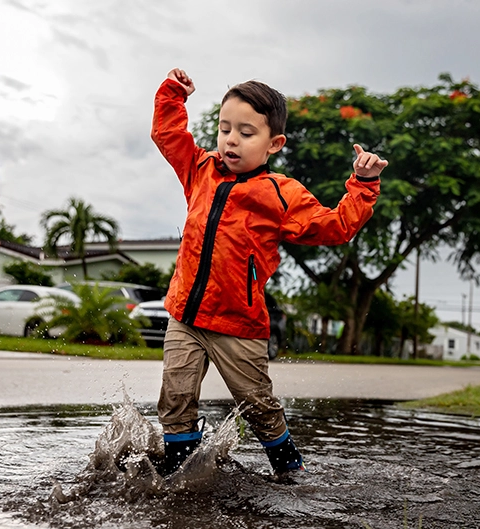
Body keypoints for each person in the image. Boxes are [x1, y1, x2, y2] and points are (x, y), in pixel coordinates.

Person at [151, 68, 387, 476]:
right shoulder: (200, 170)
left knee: (257, 405)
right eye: (225, 128)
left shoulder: (281, 193)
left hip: (238, 325)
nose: (231, 139)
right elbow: (168, 134)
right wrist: (173, 95)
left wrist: (363, 185)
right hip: (185, 316)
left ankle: (287, 465)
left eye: (246, 132)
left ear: (274, 143)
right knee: (175, 395)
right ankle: (177, 470)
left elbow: (335, 227)